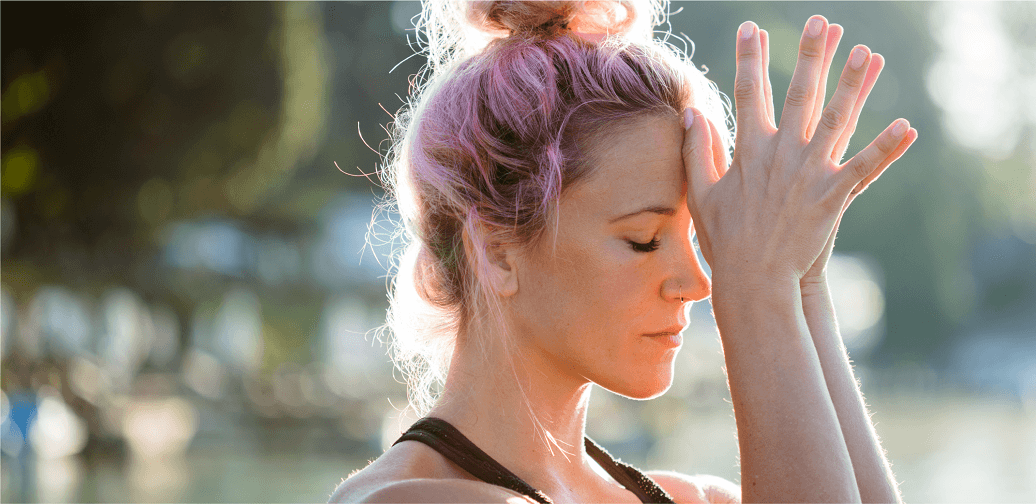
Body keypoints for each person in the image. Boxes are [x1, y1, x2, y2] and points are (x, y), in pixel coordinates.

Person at [330, 0, 916, 502]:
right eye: (645, 240)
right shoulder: (410, 500)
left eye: (699, 238)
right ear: (498, 250)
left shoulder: (693, 497)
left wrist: (799, 280)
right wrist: (757, 292)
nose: (698, 280)